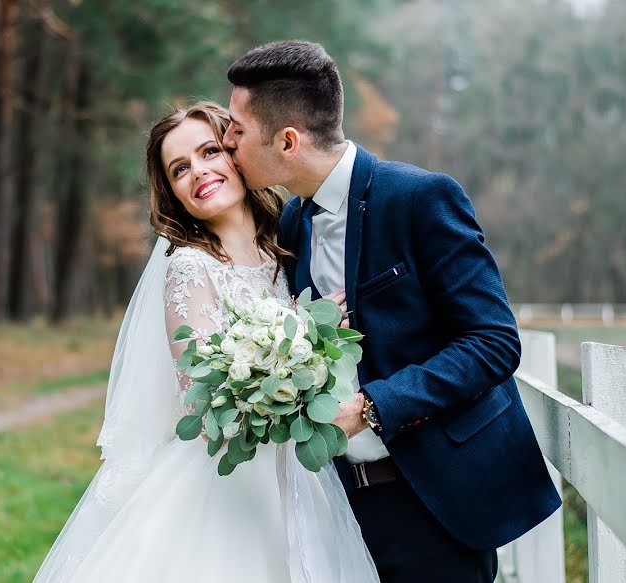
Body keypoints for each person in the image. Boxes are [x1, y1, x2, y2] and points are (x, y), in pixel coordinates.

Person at [221, 40, 562, 583]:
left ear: (287, 140)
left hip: (434, 504)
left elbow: (493, 341)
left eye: (236, 129)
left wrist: (371, 407)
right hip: (339, 509)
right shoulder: (292, 223)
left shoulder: (420, 199)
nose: (227, 141)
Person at [31, 101, 379, 583]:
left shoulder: (287, 249)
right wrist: (299, 344)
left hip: (297, 477)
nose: (199, 172)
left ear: (236, 154)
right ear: (173, 192)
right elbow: (203, 401)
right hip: (225, 484)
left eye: (209, 151)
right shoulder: (191, 267)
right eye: (179, 169)